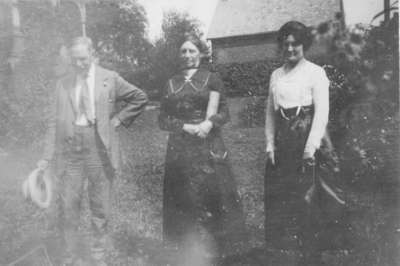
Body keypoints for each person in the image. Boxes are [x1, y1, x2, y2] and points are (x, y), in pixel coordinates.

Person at [38, 36, 148, 265]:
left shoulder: (109, 78)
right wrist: (46, 156)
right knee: (69, 205)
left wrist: (117, 120)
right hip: (71, 150)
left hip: (98, 148)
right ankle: (71, 255)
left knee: (100, 205)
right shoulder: (63, 83)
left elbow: (139, 97)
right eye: (75, 60)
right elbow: (52, 122)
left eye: (83, 58)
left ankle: (98, 255)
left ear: (92, 55)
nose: (79, 64)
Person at [158, 33, 246, 263]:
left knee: (213, 194)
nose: (187, 55)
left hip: (209, 145)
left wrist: (208, 123)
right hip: (181, 147)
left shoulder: (212, 79)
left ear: (201, 53)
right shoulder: (170, 83)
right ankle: (187, 251)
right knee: (184, 197)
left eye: (191, 51)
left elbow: (225, 112)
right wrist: (184, 126)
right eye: (183, 51)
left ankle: (217, 250)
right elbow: (162, 118)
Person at [264, 21, 343, 266]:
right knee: (286, 196)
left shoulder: (315, 72)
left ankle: (314, 254)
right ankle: (292, 251)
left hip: (310, 136)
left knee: (311, 196)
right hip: (284, 138)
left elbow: (322, 113)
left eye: (295, 43)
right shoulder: (276, 75)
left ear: (303, 45)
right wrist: (269, 143)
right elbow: (269, 113)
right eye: (285, 43)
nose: (289, 48)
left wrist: (310, 147)